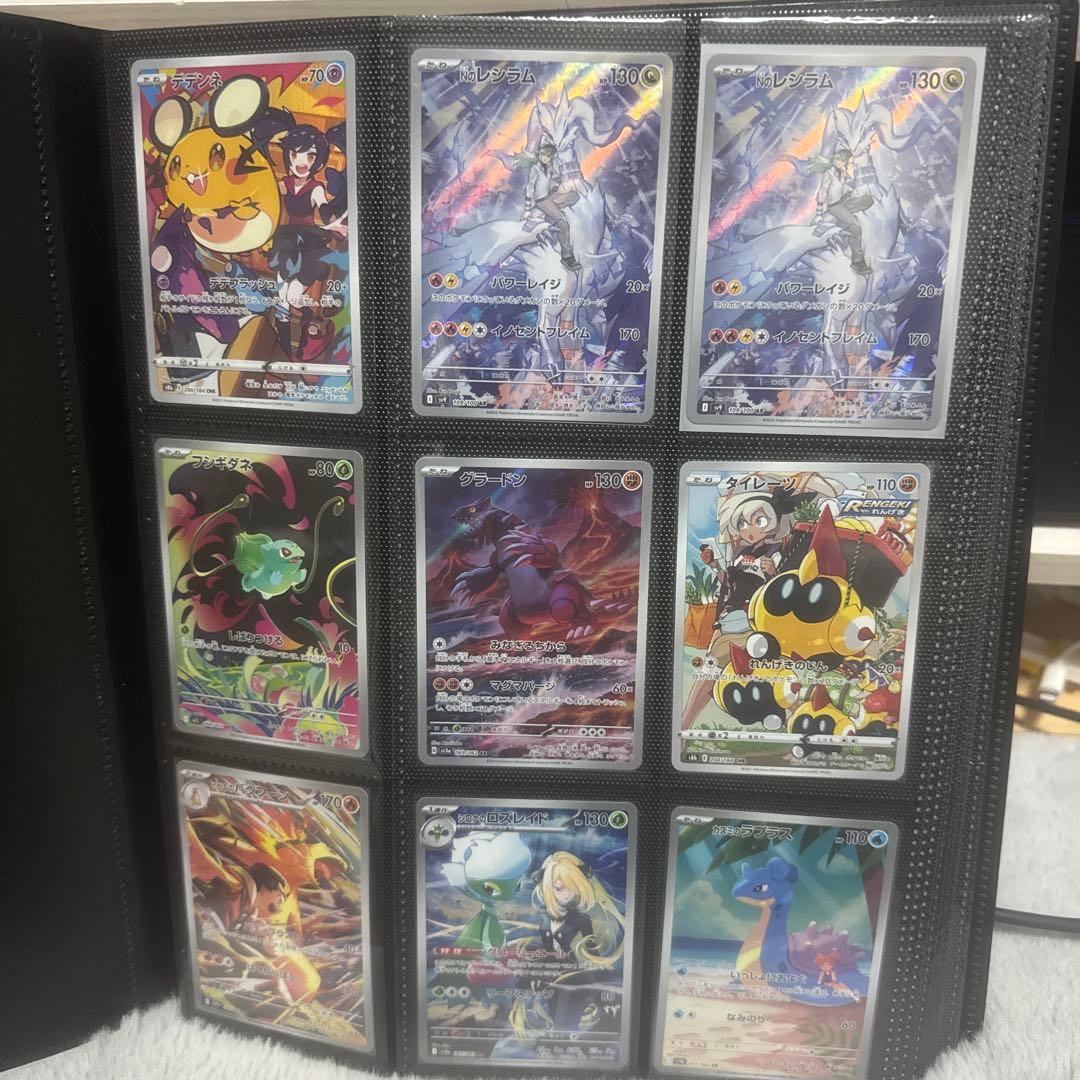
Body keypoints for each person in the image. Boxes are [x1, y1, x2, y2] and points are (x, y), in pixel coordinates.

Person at [524, 140, 582, 271]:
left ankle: (552, 216)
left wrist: (553, 188)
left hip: (549, 197)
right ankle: (567, 257)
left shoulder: (549, 167)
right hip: (541, 201)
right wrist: (526, 209)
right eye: (543, 154)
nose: (545, 157)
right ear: (539, 154)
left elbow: (548, 182)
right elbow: (529, 188)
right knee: (564, 225)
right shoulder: (535, 168)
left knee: (574, 195)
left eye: (548, 155)